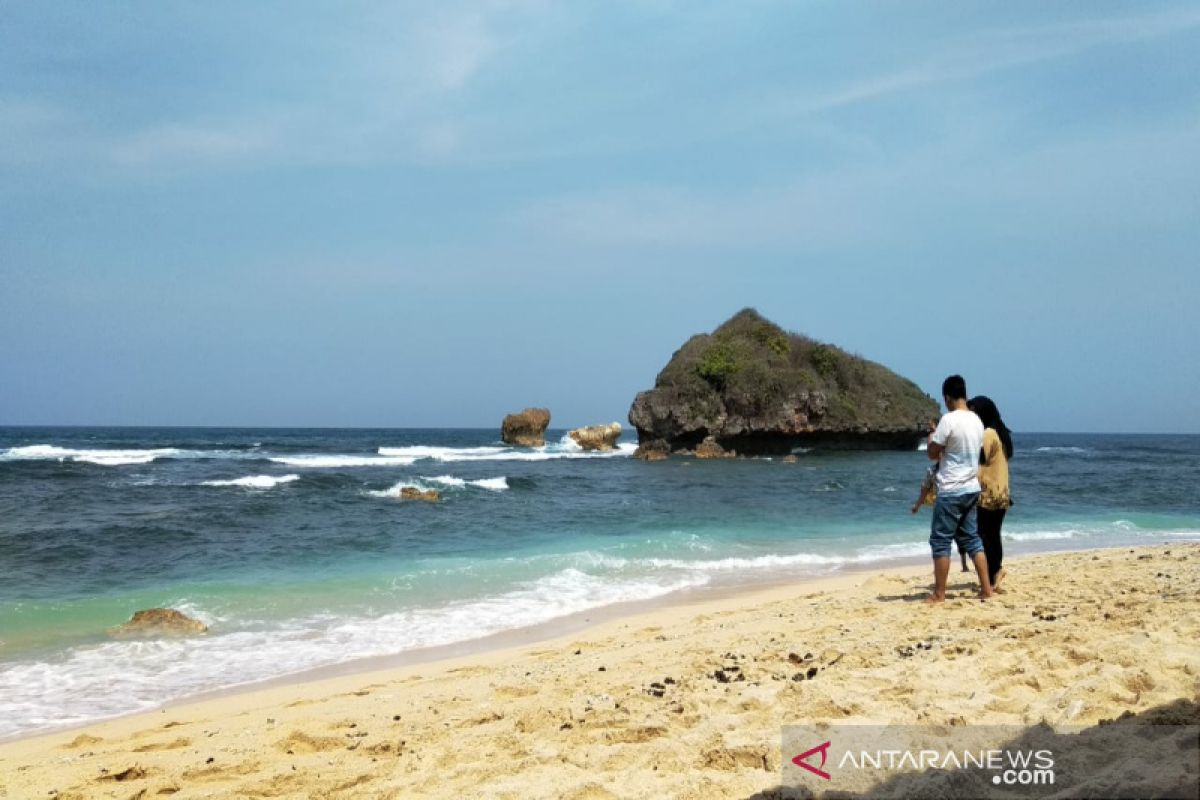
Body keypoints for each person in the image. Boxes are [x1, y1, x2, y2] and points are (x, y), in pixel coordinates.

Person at [925, 375, 992, 602]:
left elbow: (933, 453)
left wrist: (931, 436)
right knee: (973, 539)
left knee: (941, 541)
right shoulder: (977, 421)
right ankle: (986, 589)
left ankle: (939, 593)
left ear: (947, 397)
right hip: (971, 487)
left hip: (951, 489)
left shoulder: (948, 420)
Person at [968, 395, 1013, 591]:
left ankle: (994, 572)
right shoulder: (1001, 434)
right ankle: (996, 572)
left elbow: (978, 459)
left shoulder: (987, 434)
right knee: (993, 534)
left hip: (989, 493)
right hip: (1002, 492)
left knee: (983, 535)